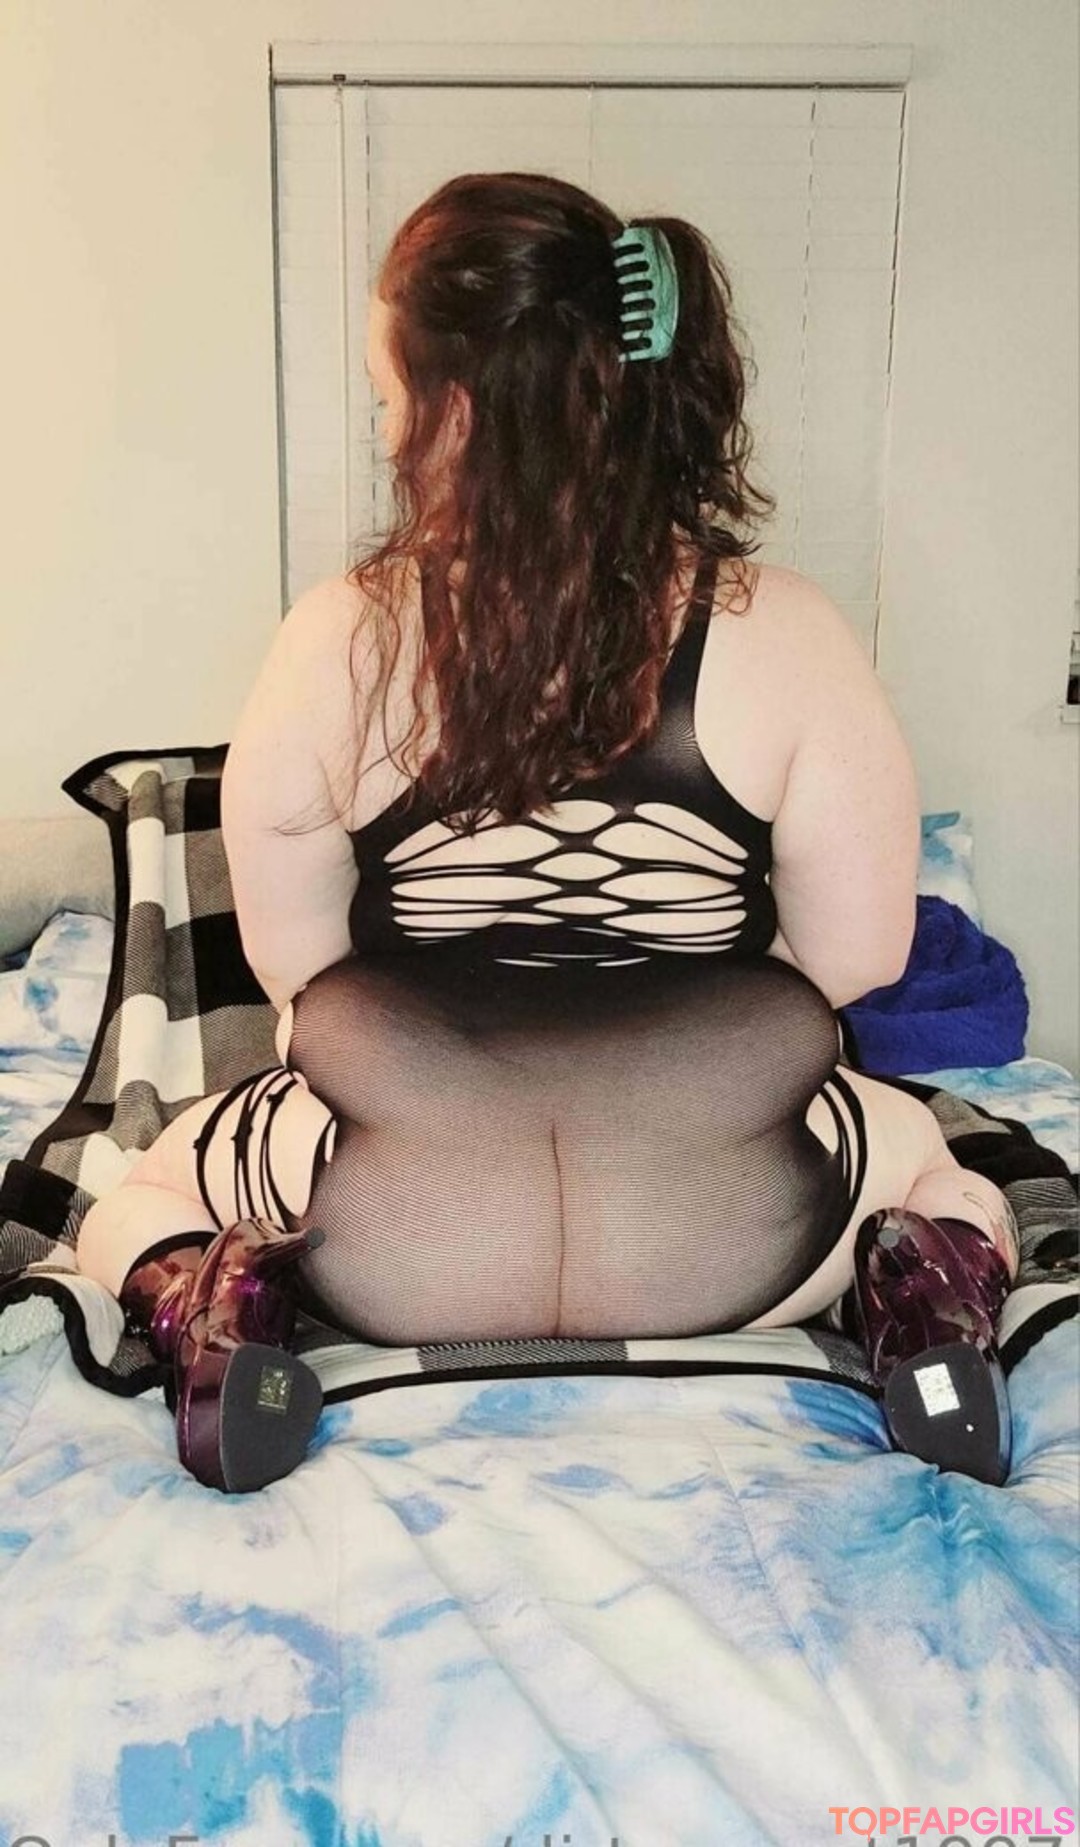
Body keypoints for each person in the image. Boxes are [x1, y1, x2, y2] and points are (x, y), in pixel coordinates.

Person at [75, 174, 1018, 1495]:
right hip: (733, 1237)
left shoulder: (339, 637)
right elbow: (860, 957)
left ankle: (214, 1304)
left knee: (137, 1191)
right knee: (942, 1170)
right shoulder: (790, 630)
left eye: (388, 398)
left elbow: (298, 969)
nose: (387, 429)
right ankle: (929, 1297)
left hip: (393, 1244)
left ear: (455, 410)